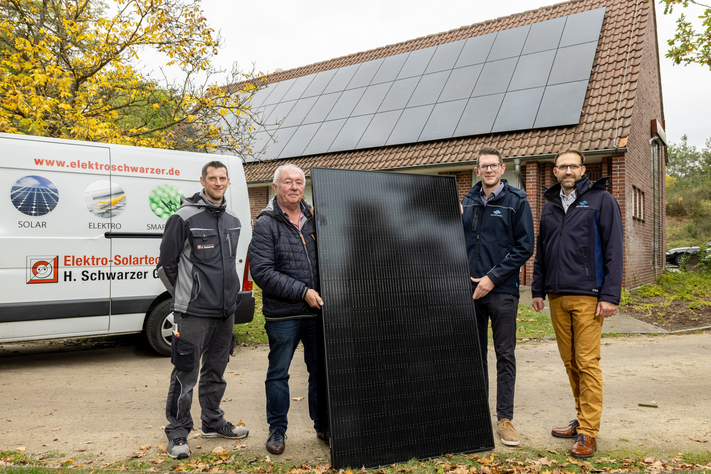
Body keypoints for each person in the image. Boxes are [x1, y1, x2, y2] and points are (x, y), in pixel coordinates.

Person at [531, 149, 623, 458]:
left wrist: (610, 295)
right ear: (555, 172)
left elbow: (613, 249)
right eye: (562, 166)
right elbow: (542, 252)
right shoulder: (549, 206)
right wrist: (537, 290)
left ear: (582, 169)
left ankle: (589, 433)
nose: (567, 170)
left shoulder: (601, 200)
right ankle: (581, 419)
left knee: (587, 363)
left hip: (588, 295)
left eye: (573, 165)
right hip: (557, 295)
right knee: (570, 363)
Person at [156, 161, 249, 459]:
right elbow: (165, 267)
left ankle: (212, 421)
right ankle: (178, 433)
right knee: (185, 374)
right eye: (213, 178)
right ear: (202, 181)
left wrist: (229, 298)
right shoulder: (183, 218)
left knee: (216, 371)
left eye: (223, 178)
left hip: (225, 311)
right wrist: (189, 297)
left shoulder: (233, 219)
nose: (218, 183)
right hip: (194, 312)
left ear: (228, 181)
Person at [248, 164, 328, 455]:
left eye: (298, 182)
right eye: (287, 182)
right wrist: (303, 292)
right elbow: (262, 272)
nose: (294, 187)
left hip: (317, 313)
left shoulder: (315, 219)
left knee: (321, 372)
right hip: (284, 314)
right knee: (278, 373)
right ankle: (277, 430)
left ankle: (323, 426)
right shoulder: (266, 223)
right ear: (275, 188)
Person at [461, 147, 534, 447]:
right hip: (470, 292)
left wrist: (492, 278)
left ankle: (505, 419)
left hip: (502, 291)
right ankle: (477, 413)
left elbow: (524, 247)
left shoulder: (518, 202)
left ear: (502, 168)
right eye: (483, 166)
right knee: (474, 355)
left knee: (505, 355)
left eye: (493, 165)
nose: (488, 170)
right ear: (477, 171)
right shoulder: (466, 202)